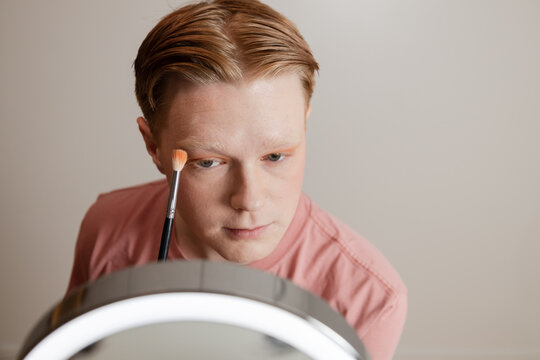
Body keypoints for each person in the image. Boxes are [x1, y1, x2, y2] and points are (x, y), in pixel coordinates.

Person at [67, 0, 407, 358]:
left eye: (275, 156)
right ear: (153, 146)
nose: (249, 199)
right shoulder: (107, 229)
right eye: (209, 162)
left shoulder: (369, 297)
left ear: (304, 123)